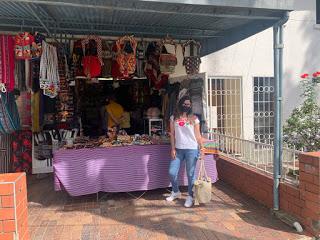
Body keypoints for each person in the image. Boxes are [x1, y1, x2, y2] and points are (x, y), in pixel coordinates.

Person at [166, 95, 204, 208]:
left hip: (192, 149)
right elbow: (172, 134)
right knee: (172, 172)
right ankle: (176, 191)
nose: (186, 106)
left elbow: (198, 135)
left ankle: (190, 196)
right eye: (184, 104)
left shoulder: (194, 118)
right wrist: (172, 148)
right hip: (178, 149)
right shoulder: (174, 118)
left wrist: (202, 148)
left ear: (191, 106)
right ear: (180, 104)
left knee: (191, 174)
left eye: (188, 104)